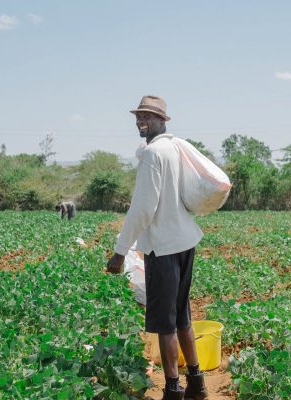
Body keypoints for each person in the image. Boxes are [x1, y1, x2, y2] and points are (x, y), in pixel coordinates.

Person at [106, 95, 207, 400]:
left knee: (166, 325)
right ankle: (197, 384)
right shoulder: (174, 148)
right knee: (182, 317)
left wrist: (120, 251)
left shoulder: (153, 154)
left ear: (163, 120)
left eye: (148, 116)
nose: (141, 121)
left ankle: (173, 389)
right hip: (185, 241)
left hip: (163, 248)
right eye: (139, 116)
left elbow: (142, 210)